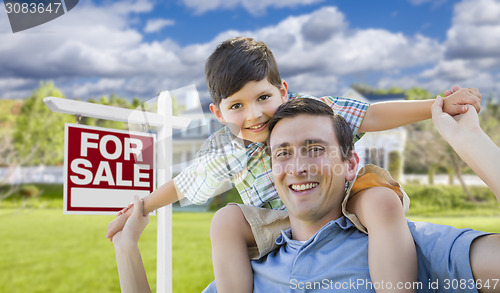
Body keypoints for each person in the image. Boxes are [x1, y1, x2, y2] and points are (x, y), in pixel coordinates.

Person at [107, 37, 482, 293]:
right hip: (281, 218)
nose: (254, 115)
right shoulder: (224, 148)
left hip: (343, 195)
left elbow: (372, 114)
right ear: (218, 113)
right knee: (225, 221)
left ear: (283, 91)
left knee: (380, 201)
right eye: (237, 106)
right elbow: (184, 184)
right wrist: (140, 208)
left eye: (263, 97)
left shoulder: (313, 113)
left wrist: (437, 106)